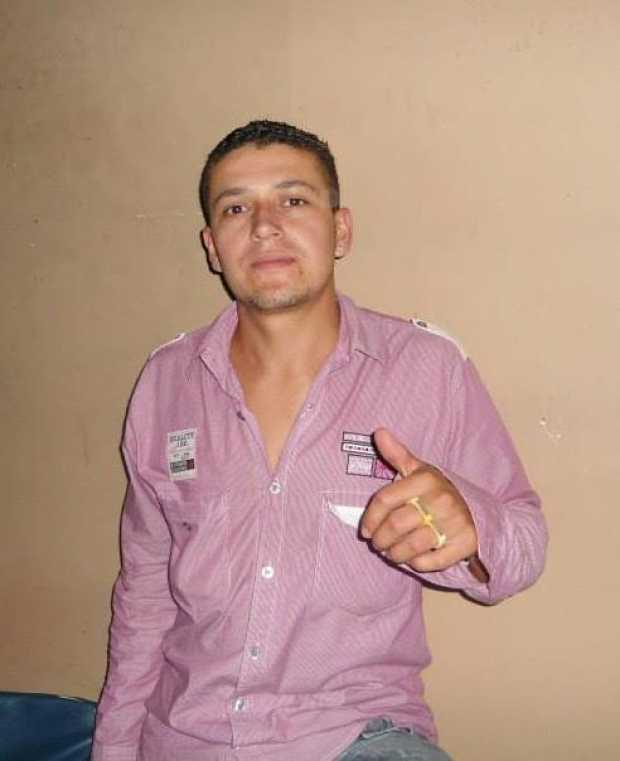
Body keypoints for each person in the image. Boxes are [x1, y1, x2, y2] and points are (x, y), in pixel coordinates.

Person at [91, 120, 547, 761]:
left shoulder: (427, 366)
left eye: (294, 199)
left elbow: (524, 545)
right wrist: (113, 749)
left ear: (341, 230)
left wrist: (473, 527)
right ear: (213, 247)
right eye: (236, 208)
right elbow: (144, 595)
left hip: (354, 736)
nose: (265, 226)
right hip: (185, 738)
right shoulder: (166, 381)